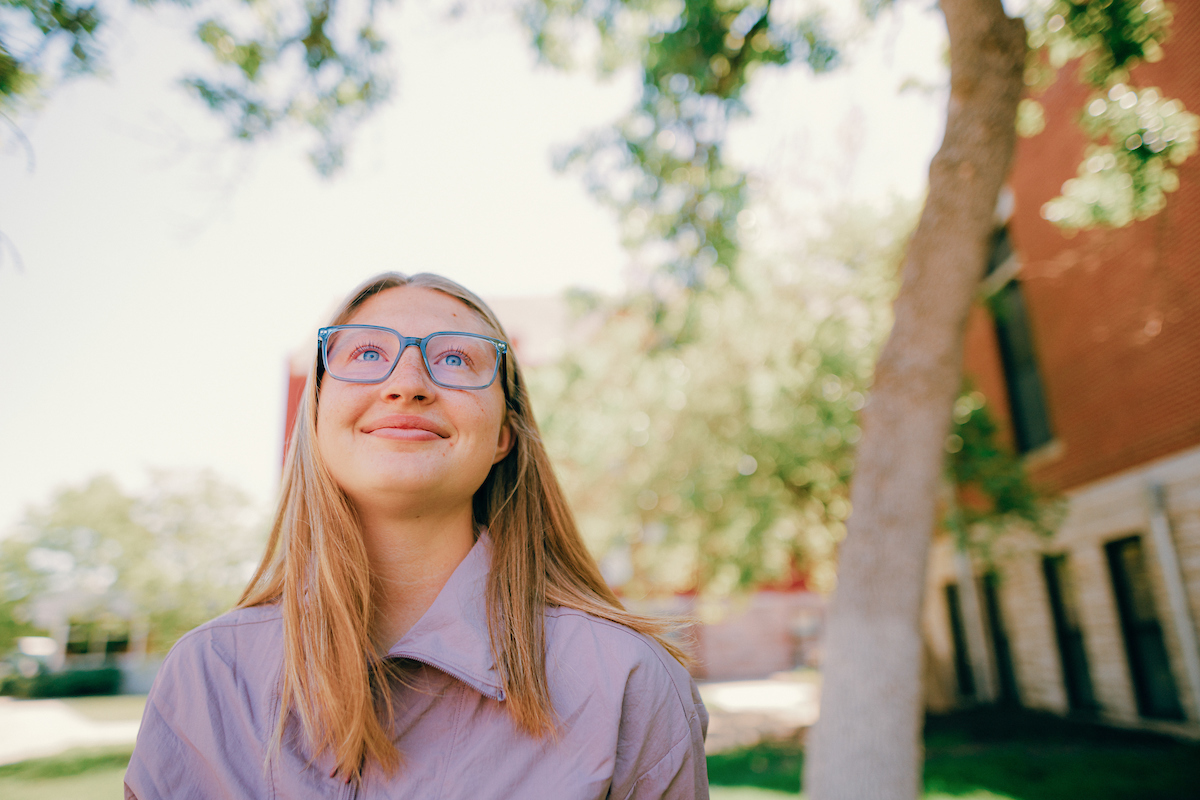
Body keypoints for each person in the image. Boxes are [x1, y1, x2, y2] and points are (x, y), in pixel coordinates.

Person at [124, 272, 709, 799]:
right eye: (368, 352)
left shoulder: (628, 685)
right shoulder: (205, 677)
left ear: (505, 433)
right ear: (319, 415)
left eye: (455, 359)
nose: (407, 384)